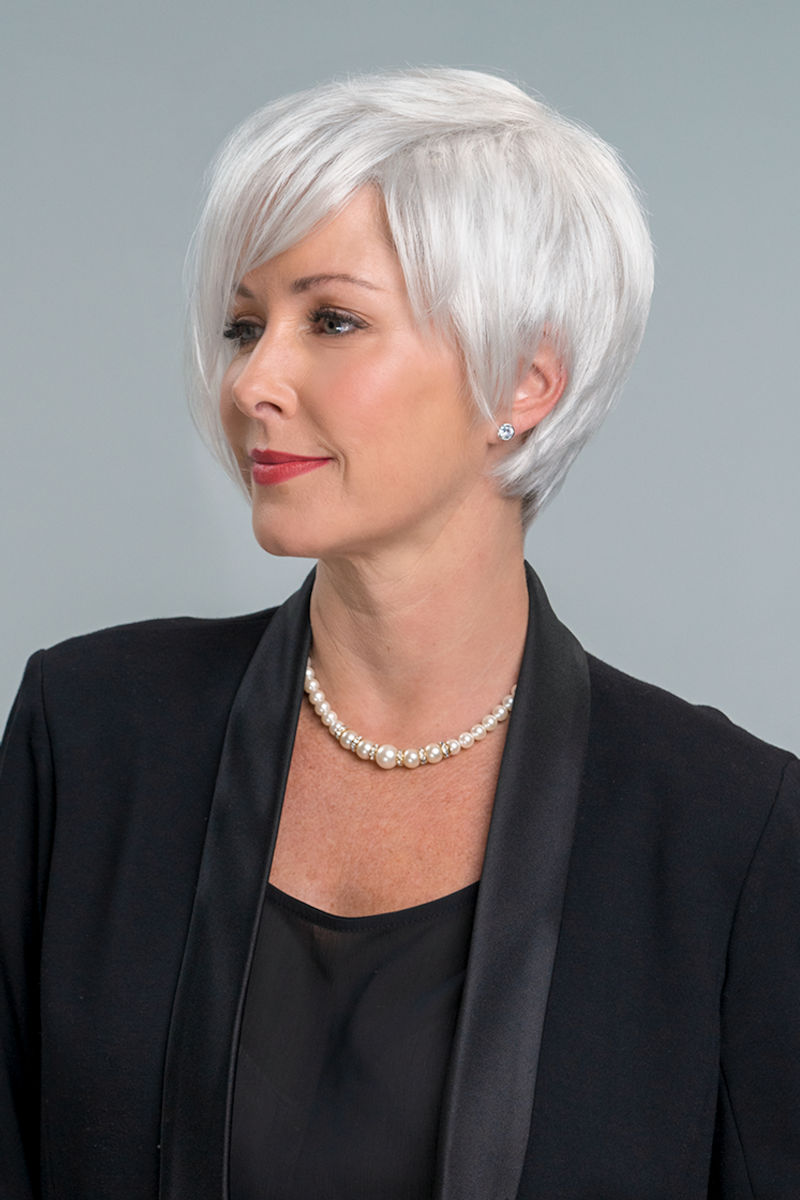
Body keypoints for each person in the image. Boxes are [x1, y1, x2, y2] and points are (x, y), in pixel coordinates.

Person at [1, 67, 798, 1200]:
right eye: (243, 325)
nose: (253, 380)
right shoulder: (86, 736)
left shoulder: (727, 832)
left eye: (331, 319)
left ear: (523, 382)